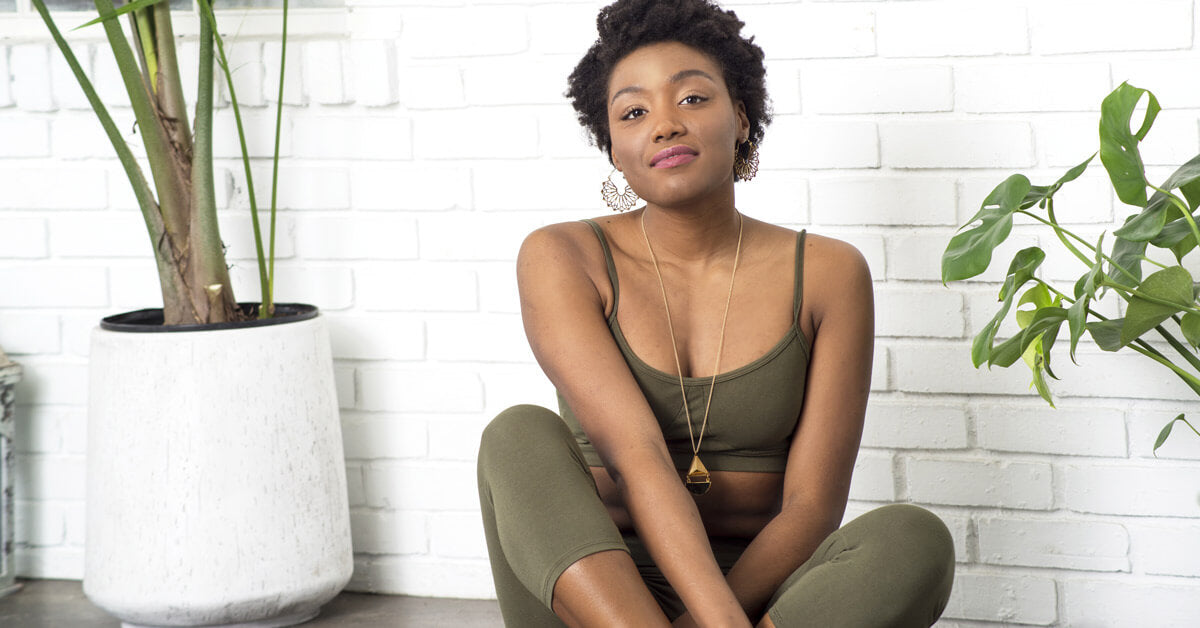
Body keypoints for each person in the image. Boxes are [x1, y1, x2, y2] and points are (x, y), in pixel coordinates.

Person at [476, 1, 955, 626]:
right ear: (614, 149)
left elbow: (811, 508)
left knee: (912, 538)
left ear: (742, 118)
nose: (665, 125)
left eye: (693, 99)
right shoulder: (564, 255)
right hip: (594, 598)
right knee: (517, 435)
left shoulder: (830, 274)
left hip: (768, 601)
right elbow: (636, 454)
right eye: (634, 112)